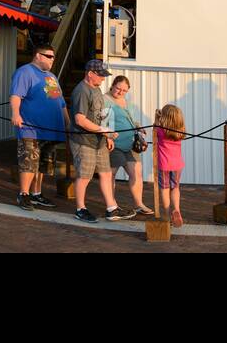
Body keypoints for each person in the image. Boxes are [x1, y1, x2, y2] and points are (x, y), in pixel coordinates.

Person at [8, 43, 66, 210]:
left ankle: (36, 194)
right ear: (38, 56)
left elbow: (60, 103)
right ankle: (24, 194)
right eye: (49, 56)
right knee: (29, 162)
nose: (52, 60)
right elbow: (16, 95)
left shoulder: (51, 77)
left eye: (53, 57)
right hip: (30, 127)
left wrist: (67, 124)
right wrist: (16, 113)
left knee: (43, 164)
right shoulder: (25, 72)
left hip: (50, 130)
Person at [69, 59, 124, 222]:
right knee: (84, 175)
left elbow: (102, 113)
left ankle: (111, 208)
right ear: (90, 74)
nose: (103, 79)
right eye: (100, 75)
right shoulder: (81, 91)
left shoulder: (97, 89)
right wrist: (104, 130)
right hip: (83, 140)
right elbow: (80, 120)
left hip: (99, 141)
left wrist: (107, 135)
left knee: (106, 173)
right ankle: (80, 209)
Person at [105, 75, 154, 216]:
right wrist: (108, 137)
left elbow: (133, 120)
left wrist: (139, 127)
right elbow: (103, 122)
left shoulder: (127, 103)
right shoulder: (105, 100)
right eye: (118, 88)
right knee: (111, 175)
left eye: (124, 90)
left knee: (136, 173)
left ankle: (139, 204)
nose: (120, 92)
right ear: (112, 85)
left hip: (131, 144)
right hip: (114, 144)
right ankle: (112, 205)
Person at [153, 103, 188, 228]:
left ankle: (167, 214)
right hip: (178, 165)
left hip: (164, 165)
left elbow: (154, 129)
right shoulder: (180, 131)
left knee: (165, 188)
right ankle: (177, 209)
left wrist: (157, 119)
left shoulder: (161, 131)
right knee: (175, 187)